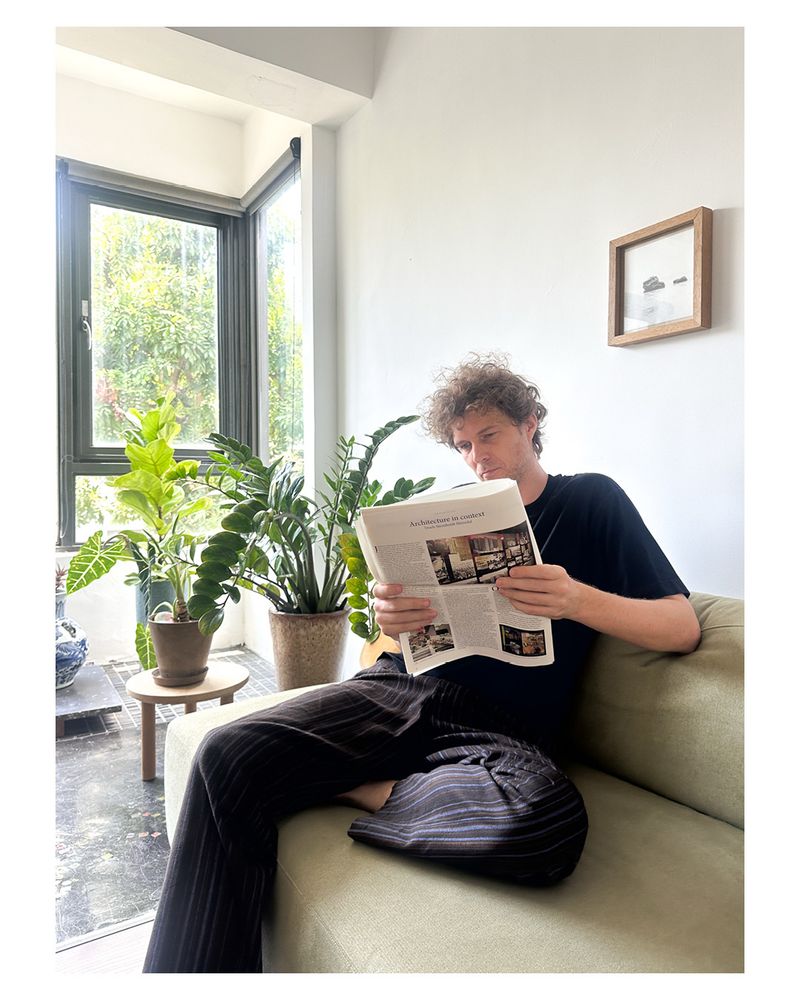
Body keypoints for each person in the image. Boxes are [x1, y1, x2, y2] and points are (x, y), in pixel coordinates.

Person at [143, 353, 699, 973]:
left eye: (489, 435)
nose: (476, 456)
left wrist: (576, 598)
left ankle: (359, 785)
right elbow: (406, 628)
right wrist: (392, 616)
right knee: (225, 753)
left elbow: (680, 627)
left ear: (531, 423)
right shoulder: (456, 511)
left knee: (547, 822)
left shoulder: (592, 501)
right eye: (463, 444)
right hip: (402, 690)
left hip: (500, 729)